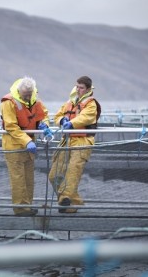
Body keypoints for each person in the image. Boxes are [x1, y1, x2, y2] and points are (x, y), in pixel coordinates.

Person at [48, 76, 101, 213]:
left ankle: (65, 200)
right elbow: (57, 116)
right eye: (77, 86)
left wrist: (72, 123)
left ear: (88, 89)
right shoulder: (69, 102)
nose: (78, 89)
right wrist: (61, 121)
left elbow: (87, 117)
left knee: (73, 172)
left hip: (82, 141)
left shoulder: (91, 103)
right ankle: (73, 202)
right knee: (54, 175)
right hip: (67, 141)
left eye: (81, 87)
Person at [0, 76, 50, 216]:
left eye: (30, 94)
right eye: (25, 95)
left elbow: (44, 114)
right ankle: (21, 208)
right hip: (14, 145)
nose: (28, 97)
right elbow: (11, 126)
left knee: (28, 177)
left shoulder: (35, 99)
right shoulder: (8, 102)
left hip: (30, 145)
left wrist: (44, 124)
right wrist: (26, 140)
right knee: (18, 178)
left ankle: (28, 205)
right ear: (19, 91)